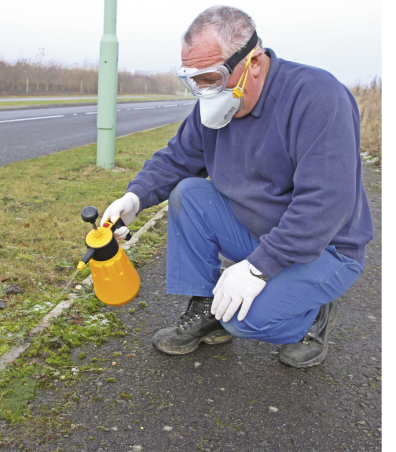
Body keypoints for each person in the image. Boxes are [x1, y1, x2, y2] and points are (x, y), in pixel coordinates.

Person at [101, 6, 374, 368]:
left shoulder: (318, 98)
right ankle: (207, 308)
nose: (203, 91)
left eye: (211, 77)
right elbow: (176, 158)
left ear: (254, 63)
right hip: (262, 230)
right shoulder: (218, 106)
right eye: (193, 80)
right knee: (189, 194)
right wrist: (133, 198)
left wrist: (258, 268)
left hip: (326, 248)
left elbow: (326, 204)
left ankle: (312, 318)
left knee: (244, 318)